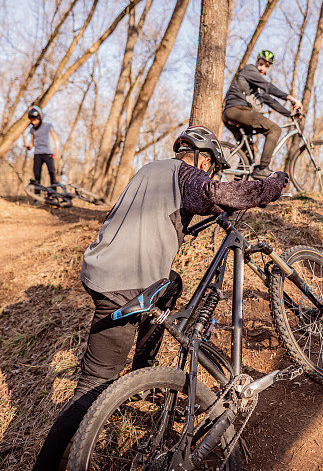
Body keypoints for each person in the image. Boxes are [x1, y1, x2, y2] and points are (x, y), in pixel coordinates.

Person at [32, 125, 288, 470]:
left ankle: (143, 369)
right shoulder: (186, 175)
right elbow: (214, 193)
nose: (206, 172)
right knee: (94, 385)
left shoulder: (151, 171)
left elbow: (163, 214)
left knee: (171, 284)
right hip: (126, 283)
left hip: (101, 271)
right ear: (202, 158)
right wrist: (270, 185)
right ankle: (49, 465)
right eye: (209, 165)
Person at [222, 49, 303, 179]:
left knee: (247, 155)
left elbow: (271, 101)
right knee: (274, 129)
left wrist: (290, 114)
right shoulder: (249, 70)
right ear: (256, 62)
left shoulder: (257, 86)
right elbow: (268, 86)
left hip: (233, 113)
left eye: (266, 66)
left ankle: (237, 185)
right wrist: (290, 98)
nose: (262, 68)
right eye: (261, 64)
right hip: (237, 110)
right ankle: (263, 168)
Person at [24, 105, 61, 186]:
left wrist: (57, 151)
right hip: (37, 154)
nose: (33, 122)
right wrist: (29, 147)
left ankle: (52, 193)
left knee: (52, 172)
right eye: (32, 120)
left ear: (39, 118)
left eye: (35, 120)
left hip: (48, 152)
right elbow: (32, 143)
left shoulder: (48, 126)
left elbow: (55, 139)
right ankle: (37, 195)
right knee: (36, 175)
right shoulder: (32, 129)